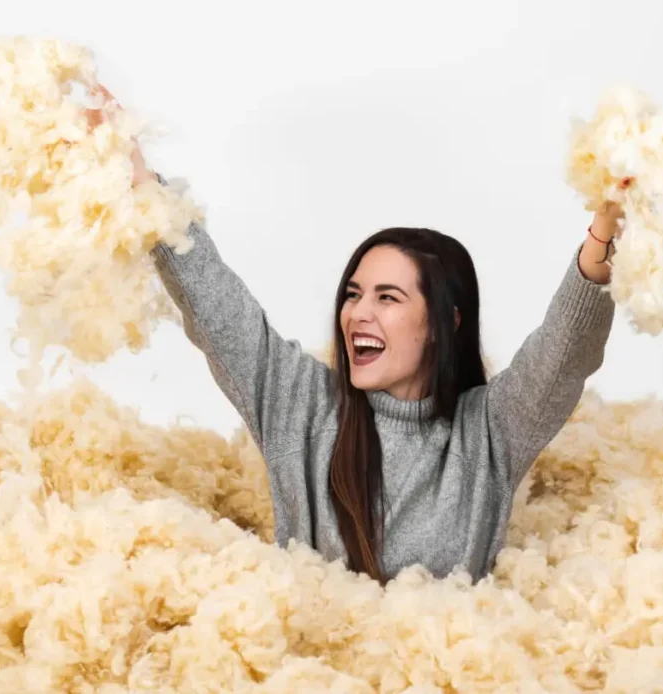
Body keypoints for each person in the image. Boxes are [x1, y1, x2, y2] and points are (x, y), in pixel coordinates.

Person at [88, 90, 620, 585]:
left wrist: (604, 233)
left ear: (445, 324)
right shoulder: (301, 405)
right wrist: (140, 182)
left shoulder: (490, 431)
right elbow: (217, 307)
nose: (358, 314)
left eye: (388, 298)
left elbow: (565, 351)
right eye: (352, 294)